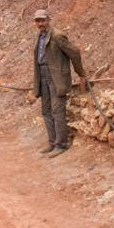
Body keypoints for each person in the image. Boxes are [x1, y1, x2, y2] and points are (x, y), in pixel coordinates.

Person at [29, 9, 86, 157]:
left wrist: (81, 74)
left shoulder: (57, 36)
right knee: (46, 110)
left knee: (57, 110)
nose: (40, 23)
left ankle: (62, 144)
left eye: (42, 20)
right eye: (37, 21)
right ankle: (53, 142)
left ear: (49, 20)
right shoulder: (40, 36)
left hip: (56, 77)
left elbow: (74, 53)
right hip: (43, 76)